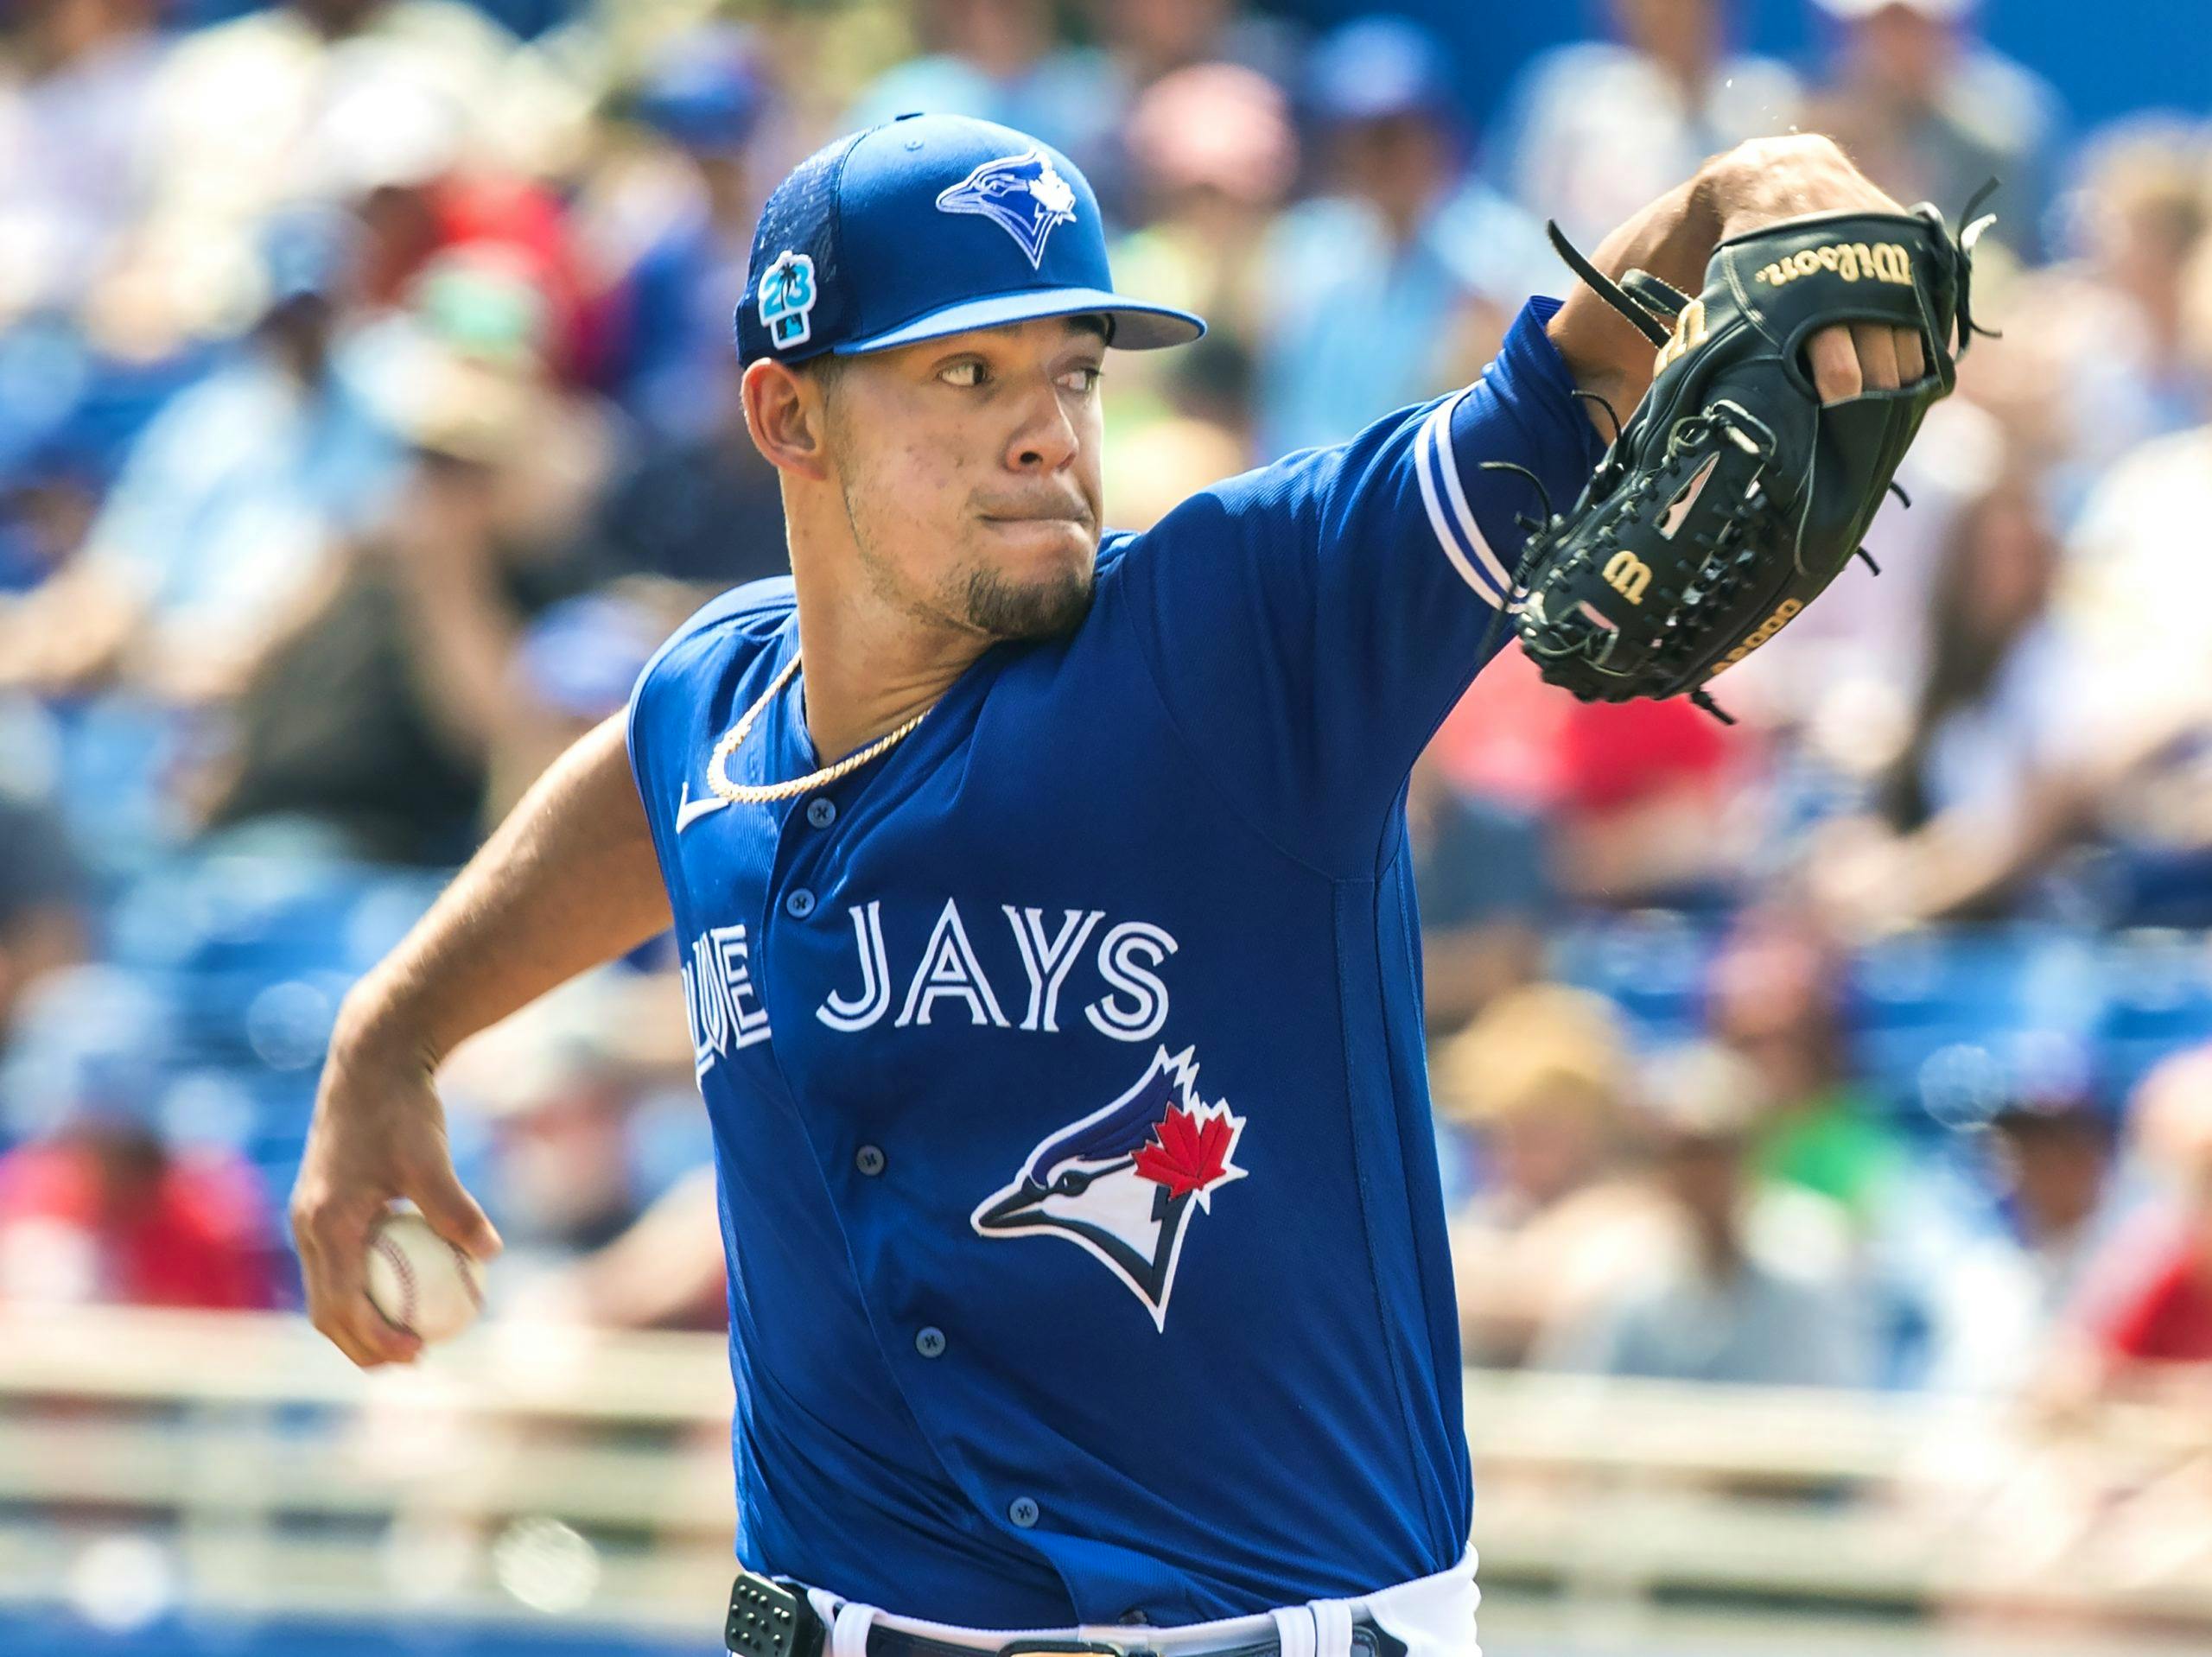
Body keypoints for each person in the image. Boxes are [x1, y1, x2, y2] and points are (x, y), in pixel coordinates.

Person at [290, 111, 1930, 1652]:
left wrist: (1748, 192)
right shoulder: (714, 710)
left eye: (1073, 371)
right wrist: (395, 1033)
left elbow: (1555, 384)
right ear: (789, 413)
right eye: (966, 370)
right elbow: (646, 795)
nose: (1046, 428)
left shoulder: (1240, 638)